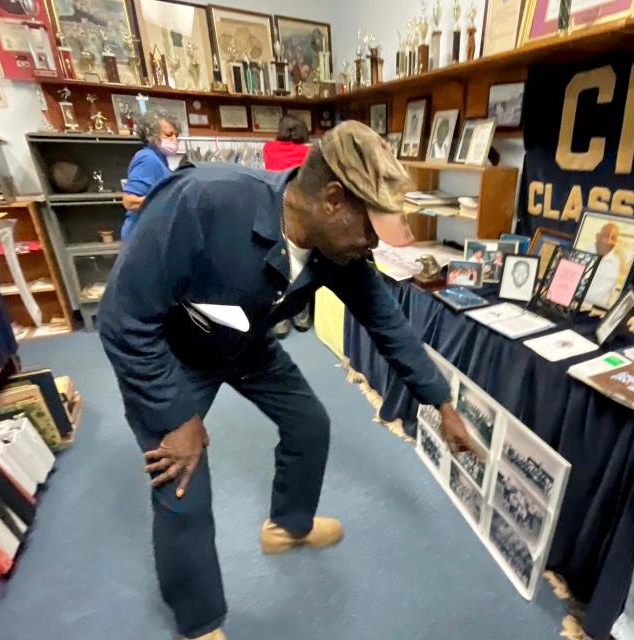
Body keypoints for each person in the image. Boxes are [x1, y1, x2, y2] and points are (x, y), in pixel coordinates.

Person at [97, 121, 474, 640]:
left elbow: (386, 322)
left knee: (309, 423)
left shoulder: (338, 248)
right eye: (371, 230)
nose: (373, 247)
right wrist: (175, 416)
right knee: (181, 480)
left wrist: (441, 401)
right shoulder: (204, 201)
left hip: (245, 343)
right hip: (170, 354)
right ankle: (197, 622)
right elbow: (122, 319)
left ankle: (287, 525)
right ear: (333, 200)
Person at [263, 114, 314, 338]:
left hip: (275, 213)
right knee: (301, 267)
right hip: (300, 216)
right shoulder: (309, 152)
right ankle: (302, 320)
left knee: (278, 269)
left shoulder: (268, 149)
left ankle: (280, 323)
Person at [120, 110, 179, 243]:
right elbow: (129, 201)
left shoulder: (160, 160)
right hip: (141, 236)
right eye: (169, 135)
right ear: (152, 136)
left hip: (151, 233)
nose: (174, 139)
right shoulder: (147, 158)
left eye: (176, 135)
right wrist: (171, 202)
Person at [583, 222, 622, 308]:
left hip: (598, 313)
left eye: (613, 238)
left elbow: (611, 292)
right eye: (605, 236)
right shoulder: (582, 255)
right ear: (597, 236)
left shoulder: (616, 262)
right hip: (577, 309)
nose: (608, 242)